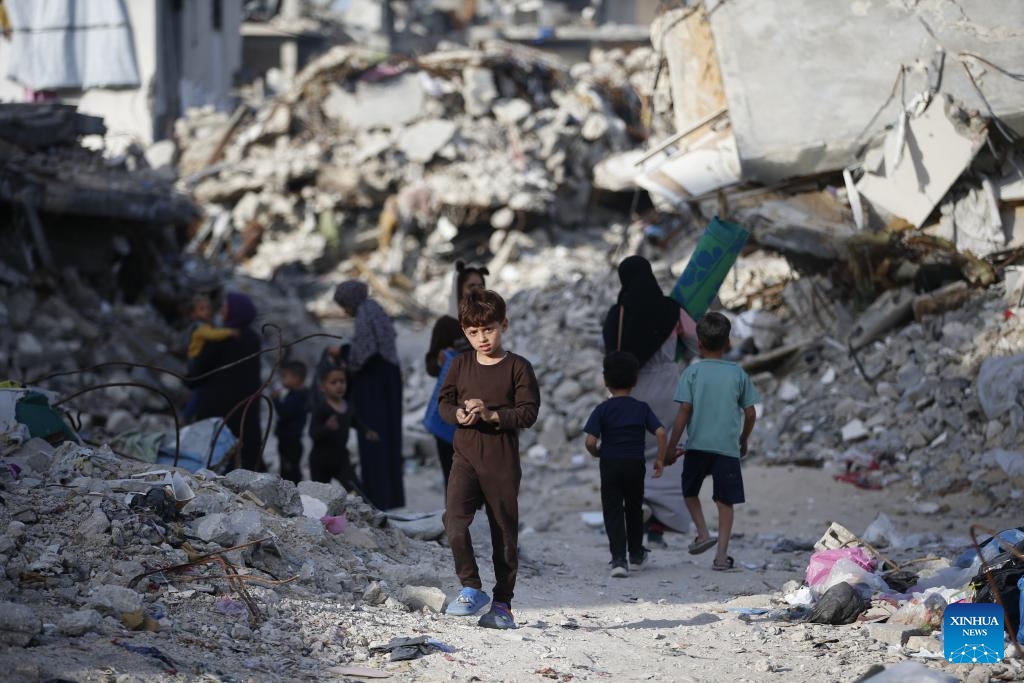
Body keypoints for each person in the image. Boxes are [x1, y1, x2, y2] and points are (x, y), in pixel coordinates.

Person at [439, 289, 540, 630]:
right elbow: (444, 403)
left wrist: (492, 415)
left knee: (504, 534)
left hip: (501, 461)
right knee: (453, 520)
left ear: (504, 325)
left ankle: (503, 604)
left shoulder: (518, 367)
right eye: (473, 332)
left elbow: (528, 413)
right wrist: (458, 414)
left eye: (489, 329)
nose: (481, 338)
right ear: (465, 331)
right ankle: (471, 587)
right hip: (465, 454)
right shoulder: (460, 363)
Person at [602, 255, 696, 547]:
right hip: (669, 388)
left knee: (634, 453)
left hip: (632, 390)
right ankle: (659, 523)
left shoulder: (616, 315)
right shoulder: (671, 309)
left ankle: (638, 511)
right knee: (670, 451)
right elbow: (697, 342)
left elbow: (609, 355)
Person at [662, 312, 759, 571]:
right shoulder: (738, 374)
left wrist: (671, 447)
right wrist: (744, 439)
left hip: (697, 446)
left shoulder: (692, 373)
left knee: (689, 491)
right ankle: (720, 557)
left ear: (699, 344)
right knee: (724, 501)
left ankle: (703, 533)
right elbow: (750, 413)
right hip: (727, 448)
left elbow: (684, 411)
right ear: (728, 343)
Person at [584, 351, 667, 578]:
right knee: (633, 508)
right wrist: (660, 458)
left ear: (605, 381)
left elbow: (590, 441)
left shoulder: (602, 409)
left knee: (612, 510)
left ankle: (618, 560)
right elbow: (660, 432)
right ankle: (637, 554)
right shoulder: (641, 408)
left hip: (610, 464)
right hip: (635, 464)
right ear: (635, 380)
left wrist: (597, 452)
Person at [327, 280, 404, 510]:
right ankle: (391, 497)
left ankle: (378, 498)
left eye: (344, 305)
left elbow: (361, 355)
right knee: (389, 438)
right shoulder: (375, 309)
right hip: (387, 383)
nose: (344, 311)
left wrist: (341, 352)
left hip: (374, 388)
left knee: (374, 438)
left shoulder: (364, 315)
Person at [424, 261, 489, 495]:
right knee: (454, 474)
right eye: (471, 285)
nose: (477, 289)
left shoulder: (488, 322)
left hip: (482, 408)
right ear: (459, 288)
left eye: (480, 285)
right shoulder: (446, 325)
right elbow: (430, 366)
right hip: (452, 411)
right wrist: (440, 360)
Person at [189, 292, 264, 472]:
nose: (221, 311)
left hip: (217, 410)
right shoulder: (253, 338)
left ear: (234, 312)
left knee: (211, 462)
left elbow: (197, 373)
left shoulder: (221, 339)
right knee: (247, 461)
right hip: (247, 409)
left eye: (225, 307)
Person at [308, 361, 378, 492]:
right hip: (320, 461)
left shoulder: (348, 406)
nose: (339, 385)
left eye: (342, 381)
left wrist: (367, 431)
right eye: (333, 382)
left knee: (357, 490)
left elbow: (354, 421)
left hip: (341, 459)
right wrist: (327, 428)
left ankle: (363, 512)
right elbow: (313, 434)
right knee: (319, 497)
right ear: (323, 387)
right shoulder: (321, 409)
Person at [182, 293, 237, 422]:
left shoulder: (203, 325)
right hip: (196, 362)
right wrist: (230, 332)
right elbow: (213, 335)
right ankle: (185, 417)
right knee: (200, 391)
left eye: (208, 308)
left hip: (196, 361)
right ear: (193, 314)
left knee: (199, 391)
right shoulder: (200, 327)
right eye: (201, 309)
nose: (206, 311)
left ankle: (188, 416)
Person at [272, 361, 310, 484]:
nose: (283, 380)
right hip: (290, 439)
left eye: (285, 376)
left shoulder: (297, 396)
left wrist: (276, 399)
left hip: (290, 440)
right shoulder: (299, 395)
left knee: (289, 470)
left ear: (296, 378)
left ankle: (292, 491)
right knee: (288, 468)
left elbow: (284, 412)